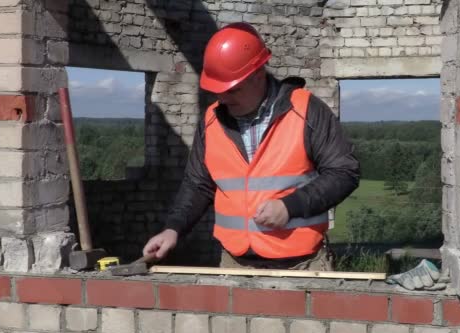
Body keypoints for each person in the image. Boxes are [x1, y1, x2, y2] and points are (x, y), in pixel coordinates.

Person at [143, 22, 359, 271]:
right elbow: (198, 184)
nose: (222, 98)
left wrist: (291, 206)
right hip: (234, 264)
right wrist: (173, 228)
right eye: (217, 90)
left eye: (232, 90)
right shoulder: (211, 120)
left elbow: (345, 172)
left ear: (258, 74)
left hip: (302, 265)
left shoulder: (306, 110)